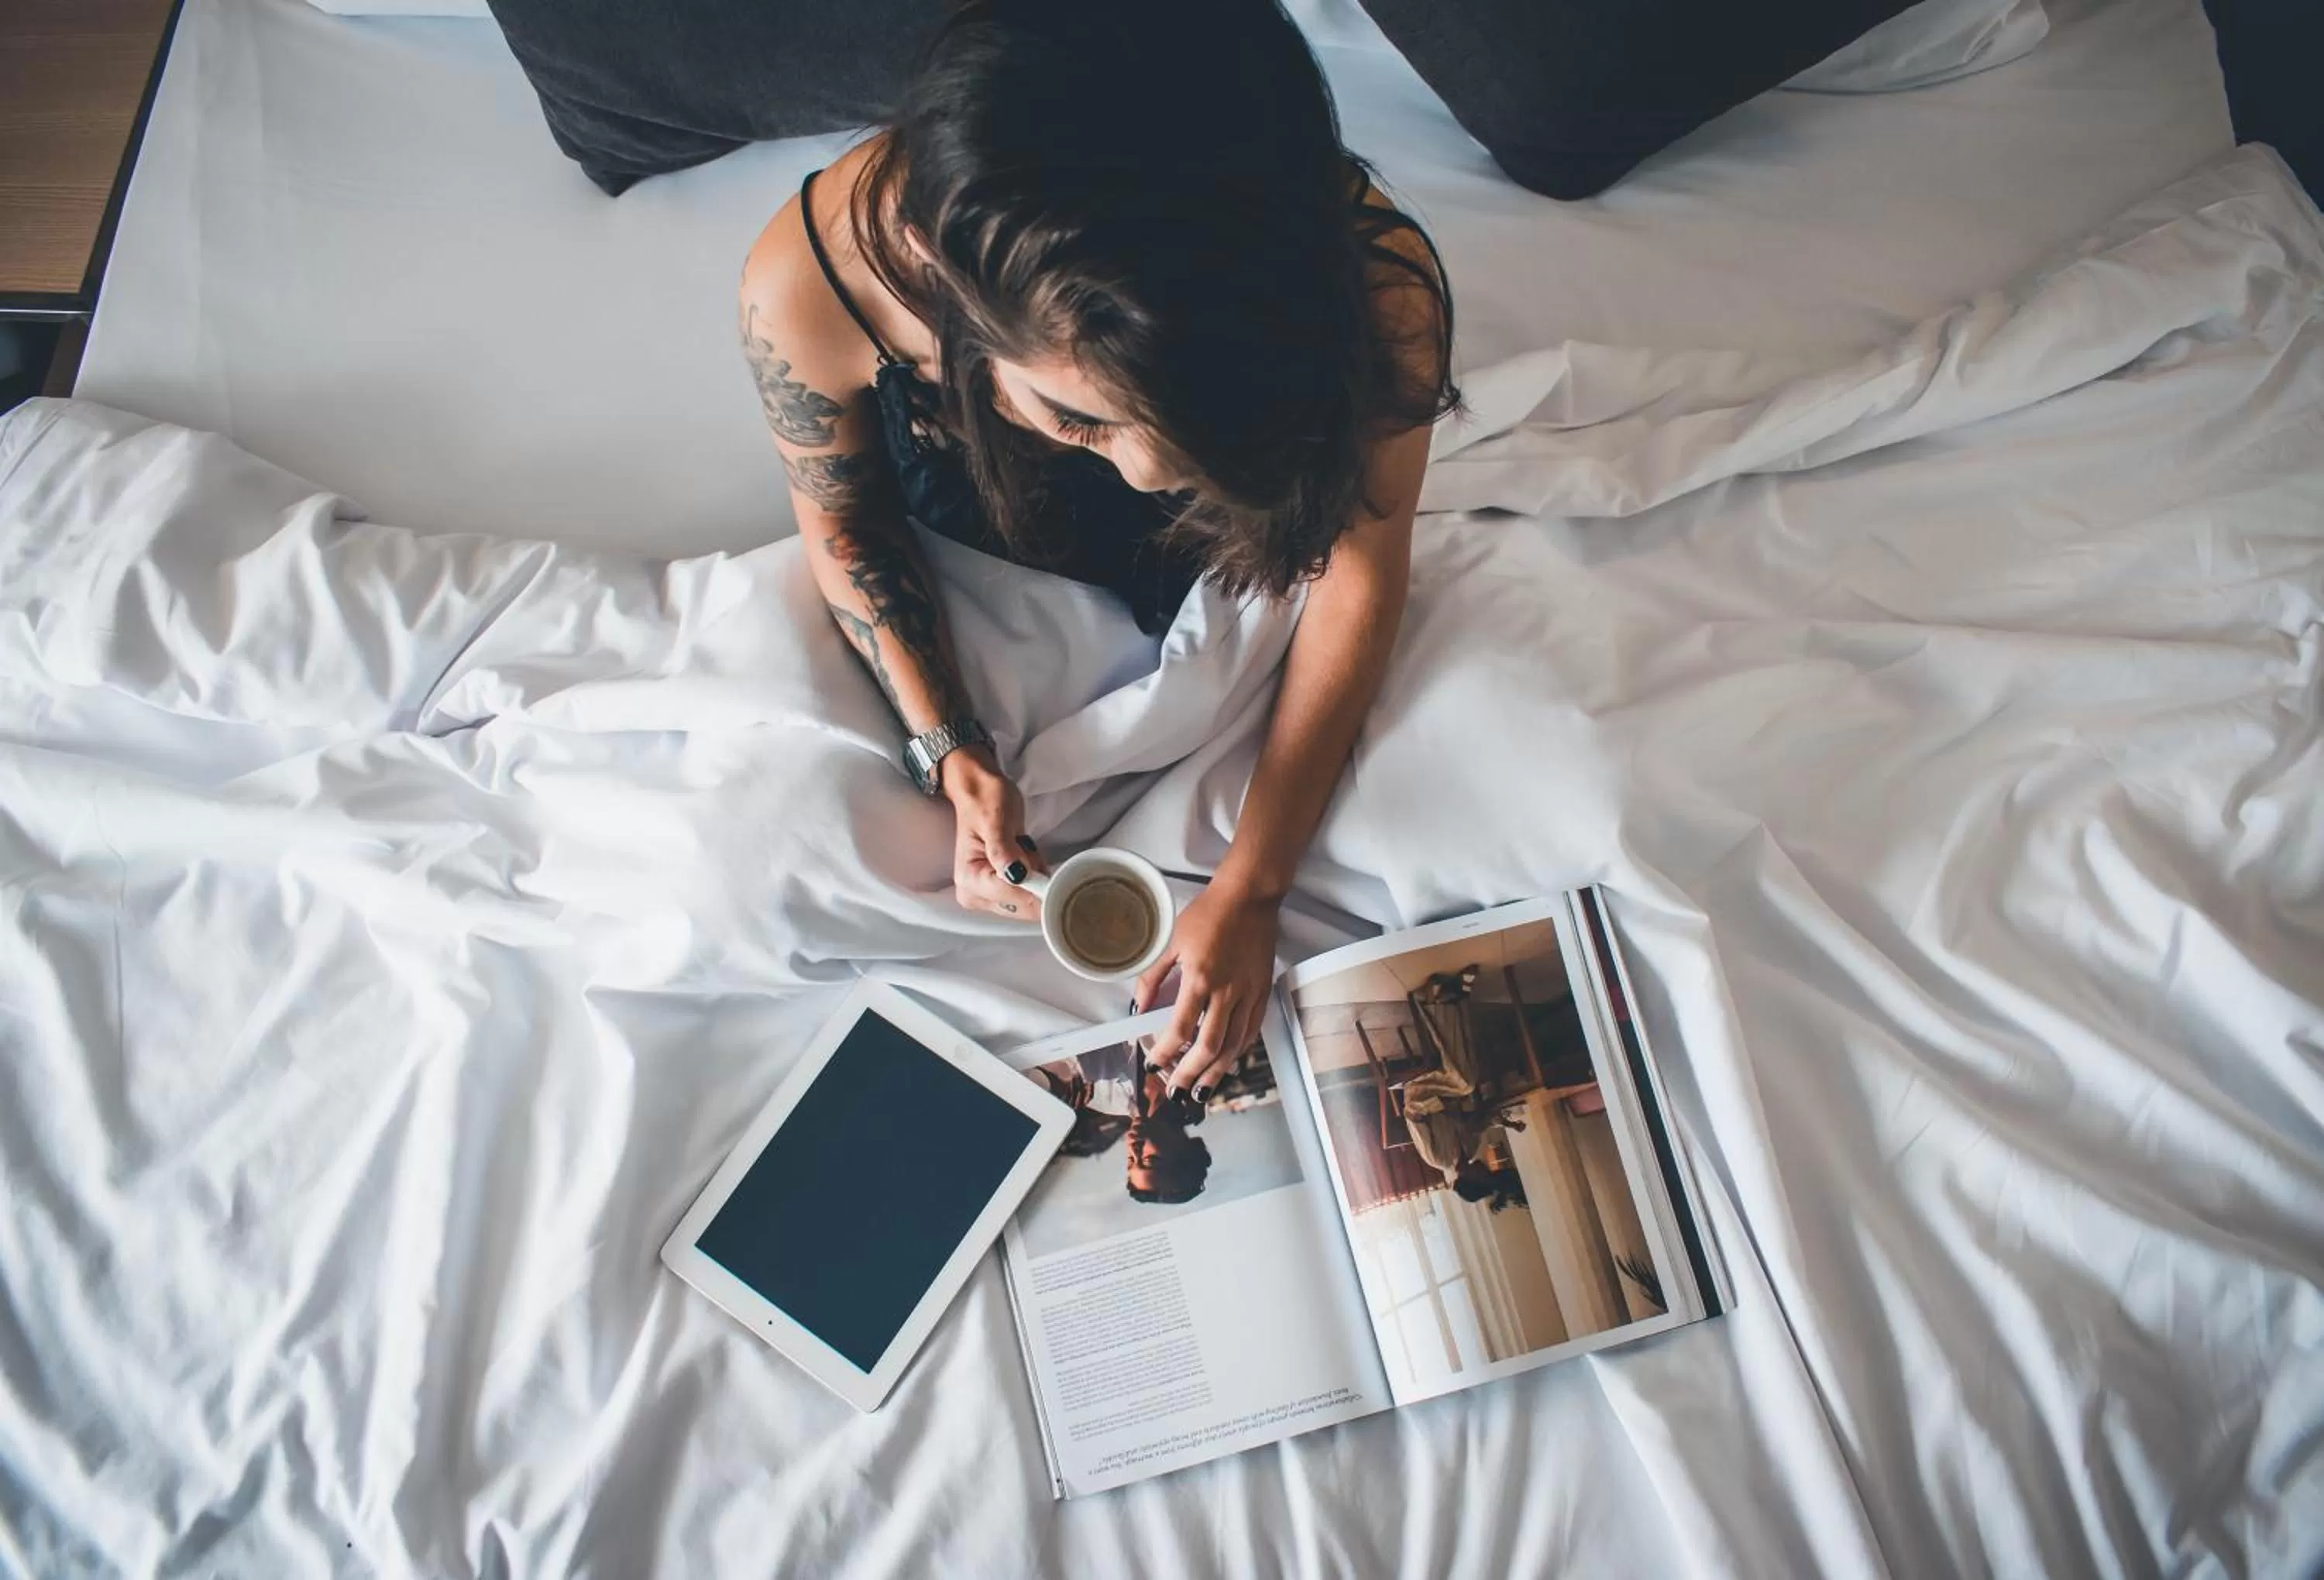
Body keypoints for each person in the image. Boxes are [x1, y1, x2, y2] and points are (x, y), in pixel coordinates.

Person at [737, 0, 1456, 1104]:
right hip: (991, 598)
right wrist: (952, 749)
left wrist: (1256, 885)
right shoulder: (813, 286)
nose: (1150, 477)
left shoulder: (1369, 288)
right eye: (1078, 421)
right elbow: (843, 523)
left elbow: (1361, 562)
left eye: (1187, 426)